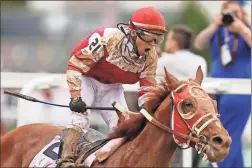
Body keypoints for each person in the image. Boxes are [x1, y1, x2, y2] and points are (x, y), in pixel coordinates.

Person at [57, 7, 167, 167]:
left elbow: (147, 89)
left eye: (158, 39)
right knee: (79, 120)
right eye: (150, 38)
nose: (153, 45)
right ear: (134, 32)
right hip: (87, 80)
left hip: (112, 88)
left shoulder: (150, 57)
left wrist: (150, 111)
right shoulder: (107, 38)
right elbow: (75, 65)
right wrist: (75, 96)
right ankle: (65, 161)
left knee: (124, 127)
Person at [194, 1, 251, 167]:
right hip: (216, 86)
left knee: (229, 133)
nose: (231, 16)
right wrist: (214, 26)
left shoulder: (245, 29)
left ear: (242, 14)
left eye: (236, 12)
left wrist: (241, 29)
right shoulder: (218, 30)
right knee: (217, 132)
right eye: (228, 12)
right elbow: (198, 43)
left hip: (240, 87)